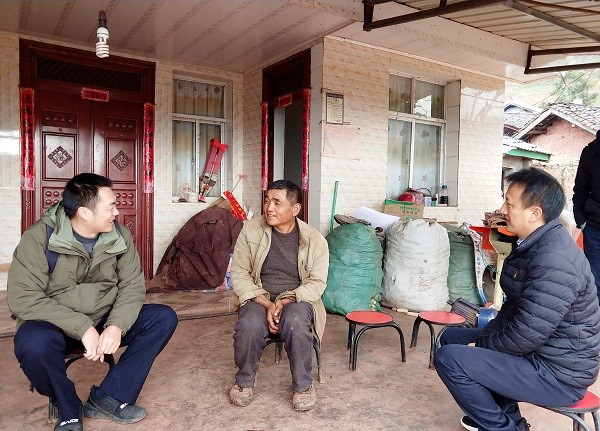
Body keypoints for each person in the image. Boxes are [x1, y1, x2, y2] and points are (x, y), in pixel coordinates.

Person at [7, 173, 178, 431]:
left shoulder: (119, 236)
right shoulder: (39, 239)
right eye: (111, 206)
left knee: (162, 318)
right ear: (84, 213)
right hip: (56, 325)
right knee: (32, 343)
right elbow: (24, 298)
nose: (117, 212)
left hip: (104, 317)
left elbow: (132, 286)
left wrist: (116, 325)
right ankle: (66, 405)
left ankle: (109, 397)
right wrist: (82, 327)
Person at [435, 167, 600, 431]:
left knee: (450, 358)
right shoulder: (535, 243)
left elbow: (526, 333)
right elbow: (515, 313)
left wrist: (483, 344)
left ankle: (504, 428)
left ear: (534, 213)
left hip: (558, 375)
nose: (502, 209)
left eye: (509, 204)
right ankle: (510, 417)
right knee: (451, 337)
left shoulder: (554, 260)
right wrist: (486, 338)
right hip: (539, 352)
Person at [229, 179, 329, 411]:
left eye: (277, 203)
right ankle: (245, 381)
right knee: (249, 324)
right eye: (267, 201)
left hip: (297, 297)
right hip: (258, 295)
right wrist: (266, 303)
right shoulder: (251, 230)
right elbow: (240, 274)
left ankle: (303, 386)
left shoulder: (315, 240)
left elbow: (317, 283)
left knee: (296, 322)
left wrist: (285, 300)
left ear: (295, 209)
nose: (269, 208)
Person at [573, 129, 600, 302]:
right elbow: (580, 190)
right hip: (595, 228)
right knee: (594, 282)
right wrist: (581, 221)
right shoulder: (591, 153)